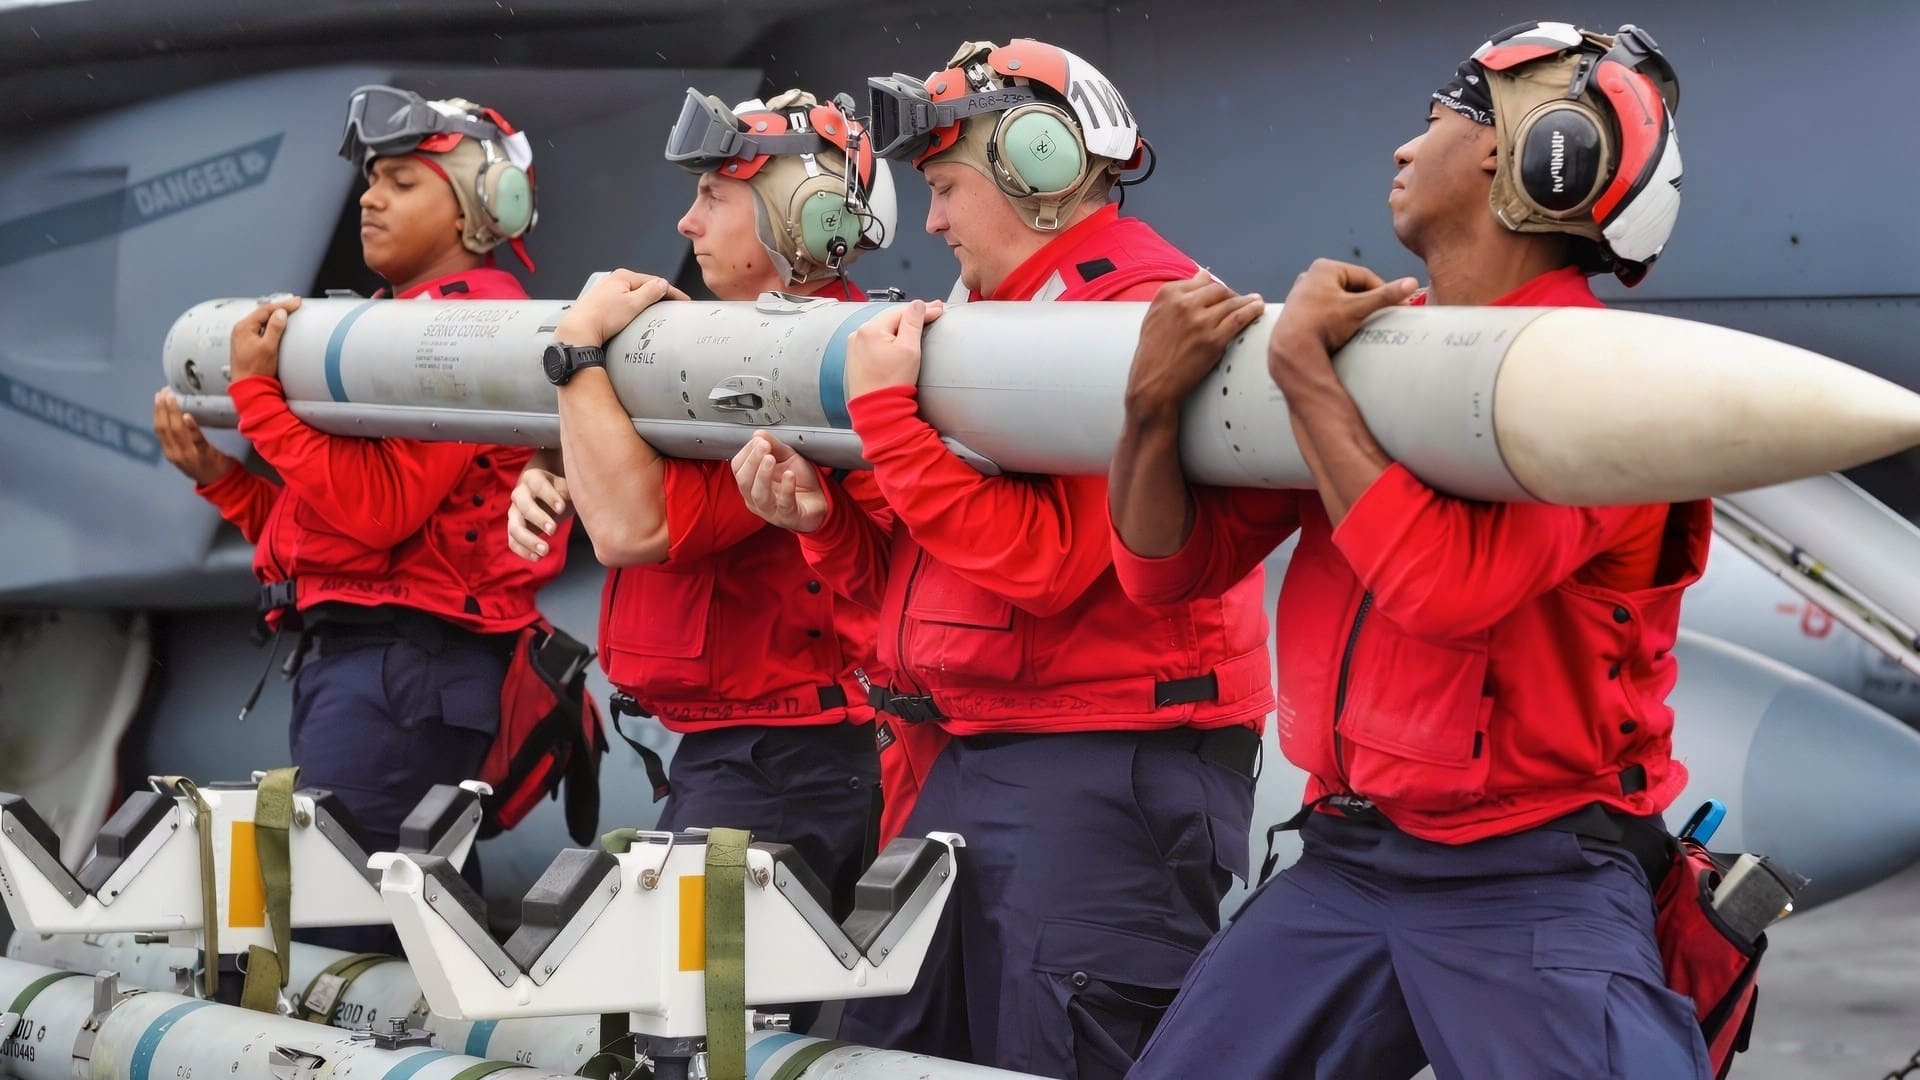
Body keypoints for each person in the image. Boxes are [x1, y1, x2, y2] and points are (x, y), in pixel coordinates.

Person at [1109, 23, 1710, 1078]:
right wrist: (1151, 412)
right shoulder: (1375, 349)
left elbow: (1443, 589)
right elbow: (1167, 574)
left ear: (1526, 155)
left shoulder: (1607, 381)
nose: (1402, 148)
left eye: (1440, 117)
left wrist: (1305, 378)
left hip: (1532, 873)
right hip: (1349, 857)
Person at [731, 40, 1268, 1078]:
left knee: (1054, 1054)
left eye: (944, 188)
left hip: (1099, 776)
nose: (927, 221)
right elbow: (945, 582)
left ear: (1039, 162)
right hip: (981, 755)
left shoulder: (1136, 318)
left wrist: (885, 416)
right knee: (884, 1051)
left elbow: (1045, 568)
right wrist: (829, 528)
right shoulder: (1003, 320)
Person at [153, 85, 559, 953]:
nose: (371, 197)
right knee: (404, 920)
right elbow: (336, 537)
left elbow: (378, 514)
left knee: (348, 926)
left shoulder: (465, 331)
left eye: (403, 180)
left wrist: (259, 398)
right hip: (383, 668)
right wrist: (223, 480)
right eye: (372, 178)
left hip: (402, 677)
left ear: (485, 208)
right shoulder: (396, 327)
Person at [504, 91, 895, 989]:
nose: (687, 221)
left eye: (718, 195)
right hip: (735, 756)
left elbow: (635, 525)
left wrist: (575, 355)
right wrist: (556, 461)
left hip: (783, 768)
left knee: (697, 1019)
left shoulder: (813, 365)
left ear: (805, 213)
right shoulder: (727, 345)